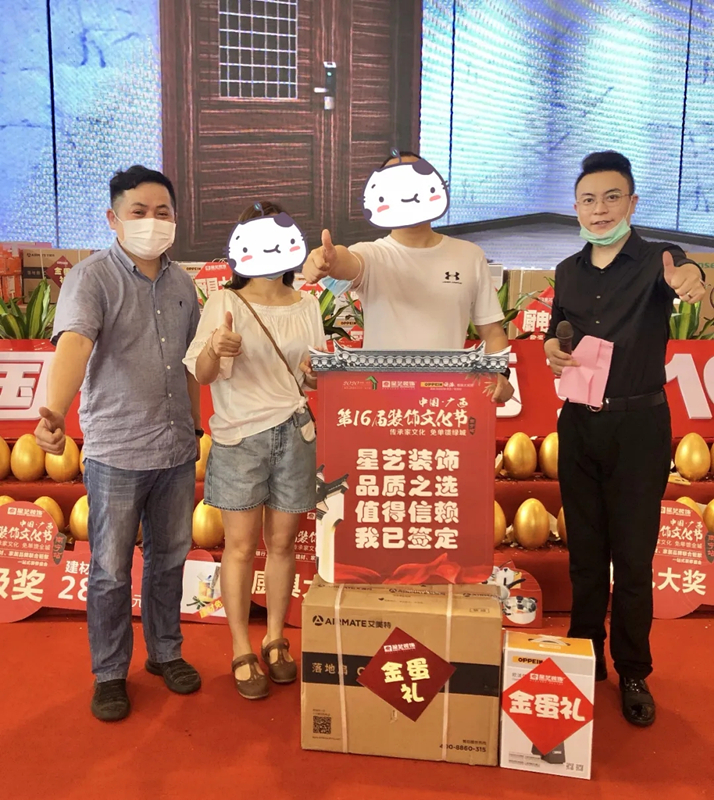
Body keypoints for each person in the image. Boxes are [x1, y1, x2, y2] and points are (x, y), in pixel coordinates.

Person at [34, 165, 203, 722]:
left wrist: (197, 427)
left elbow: (190, 363)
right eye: (139, 212)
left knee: (169, 560)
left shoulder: (183, 285)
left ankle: (165, 652)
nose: (153, 221)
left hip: (176, 450)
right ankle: (109, 673)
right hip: (118, 452)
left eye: (163, 212)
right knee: (109, 570)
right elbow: (75, 344)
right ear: (113, 218)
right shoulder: (92, 278)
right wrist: (54, 410)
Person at [544, 151, 706, 727]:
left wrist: (691, 277)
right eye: (589, 199)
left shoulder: (658, 259)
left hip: (639, 427)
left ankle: (633, 670)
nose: (600, 209)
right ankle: (585, 653)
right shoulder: (567, 269)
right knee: (585, 553)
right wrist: (552, 349)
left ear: (632, 203)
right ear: (576, 208)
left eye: (612, 197)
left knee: (633, 559)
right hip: (578, 423)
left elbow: (687, 275)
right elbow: (557, 332)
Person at [184, 201, 325, 700]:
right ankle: (242, 646)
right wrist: (215, 347)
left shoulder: (308, 305)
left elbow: (312, 376)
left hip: (295, 433)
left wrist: (315, 373)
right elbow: (201, 374)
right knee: (241, 547)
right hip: (239, 438)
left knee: (283, 545)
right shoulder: (224, 302)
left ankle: (275, 638)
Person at [301, 151, 513, 403]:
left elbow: (492, 331)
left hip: (444, 400)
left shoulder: (470, 255)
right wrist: (328, 261)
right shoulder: (373, 254)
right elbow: (348, 262)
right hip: (380, 401)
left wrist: (500, 374)